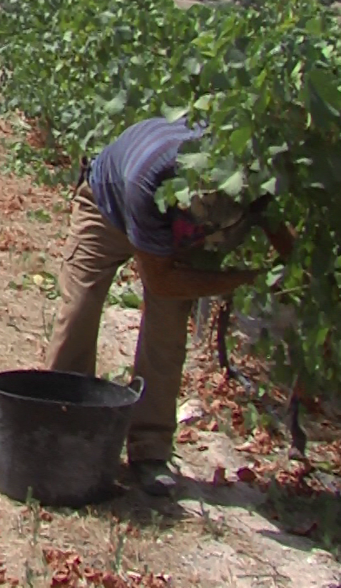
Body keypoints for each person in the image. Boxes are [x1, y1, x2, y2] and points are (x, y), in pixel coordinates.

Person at [45, 117, 296, 497]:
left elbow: (276, 226)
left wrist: (295, 269)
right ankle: (60, 427)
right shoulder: (148, 185)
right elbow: (160, 279)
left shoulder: (245, 176)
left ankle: (150, 452)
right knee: (79, 307)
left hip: (165, 230)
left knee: (166, 332)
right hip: (105, 204)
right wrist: (247, 279)